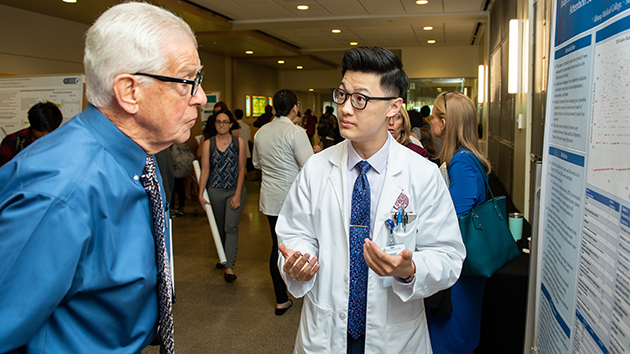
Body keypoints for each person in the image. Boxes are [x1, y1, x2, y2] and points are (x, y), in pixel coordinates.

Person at [0, 3, 206, 353]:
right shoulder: (61, 192)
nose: (200, 98)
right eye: (188, 82)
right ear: (129, 92)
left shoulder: (140, 157)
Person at [276, 46, 465, 353]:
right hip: (326, 331)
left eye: (360, 99)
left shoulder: (422, 174)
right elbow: (295, 233)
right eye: (342, 95)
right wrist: (298, 261)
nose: (345, 108)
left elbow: (448, 255)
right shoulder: (316, 168)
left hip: (395, 334)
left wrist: (410, 269)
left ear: (394, 107)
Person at [425, 91, 491, 354]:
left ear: (445, 123)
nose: (430, 120)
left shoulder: (461, 161)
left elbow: (452, 218)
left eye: (434, 115)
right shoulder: (466, 157)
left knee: (450, 339)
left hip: (460, 271)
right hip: (465, 266)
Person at [252, 89, 314, 316]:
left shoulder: (261, 132)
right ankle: (304, 290)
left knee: (276, 246)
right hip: (293, 198)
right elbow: (310, 167)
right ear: (294, 107)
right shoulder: (295, 132)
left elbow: (257, 164)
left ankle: (281, 298)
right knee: (301, 242)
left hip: (270, 198)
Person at [198, 109, 247, 282]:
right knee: (219, 227)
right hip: (215, 191)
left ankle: (229, 267)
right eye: (218, 122)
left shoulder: (238, 142)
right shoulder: (208, 144)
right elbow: (205, 170)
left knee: (231, 227)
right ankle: (223, 256)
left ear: (231, 124)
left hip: (234, 190)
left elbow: (242, 169)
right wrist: (200, 192)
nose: (222, 125)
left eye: (225, 122)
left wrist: (238, 194)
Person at [0, 102, 62, 167]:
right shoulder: (12, 141)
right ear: (33, 126)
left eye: (50, 131)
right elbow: (4, 171)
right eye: (40, 131)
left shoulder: (61, 141)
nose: (45, 135)